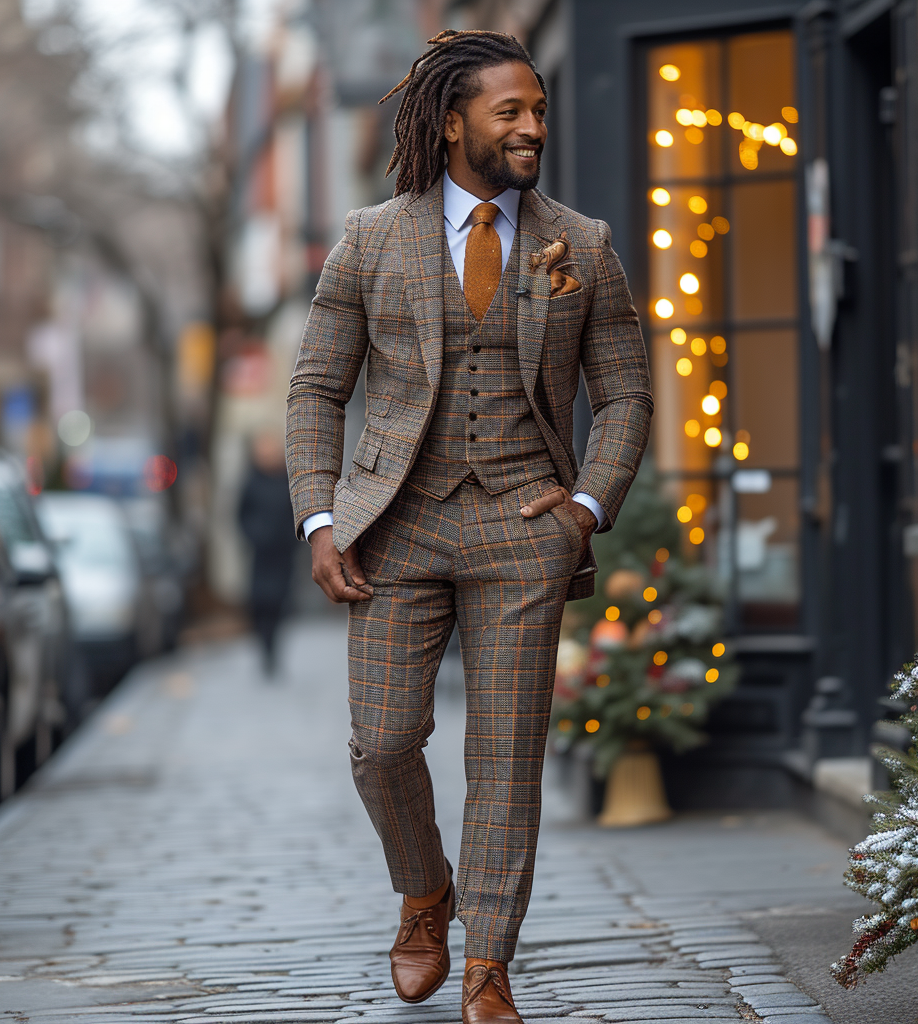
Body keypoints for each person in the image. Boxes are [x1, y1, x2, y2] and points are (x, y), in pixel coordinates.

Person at [286, 30, 652, 1023]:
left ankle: (488, 962)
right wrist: (321, 516)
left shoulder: (582, 244)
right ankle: (424, 890)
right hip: (393, 524)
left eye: (539, 109)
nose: (534, 125)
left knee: (506, 756)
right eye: (511, 112)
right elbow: (317, 387)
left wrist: (584, 508)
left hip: (525, 526)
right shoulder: (370, 237)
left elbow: (624, 395)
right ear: (453, 123)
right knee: (382, 740)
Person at [238, 432, 295, 675]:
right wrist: (254, 535)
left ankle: (273, 649)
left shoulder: (286, 481)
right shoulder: (251, 482)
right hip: (260, 555)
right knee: (260, 602)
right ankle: (263, 647)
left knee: (280, 603)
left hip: (284, 554)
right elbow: (240, 515)